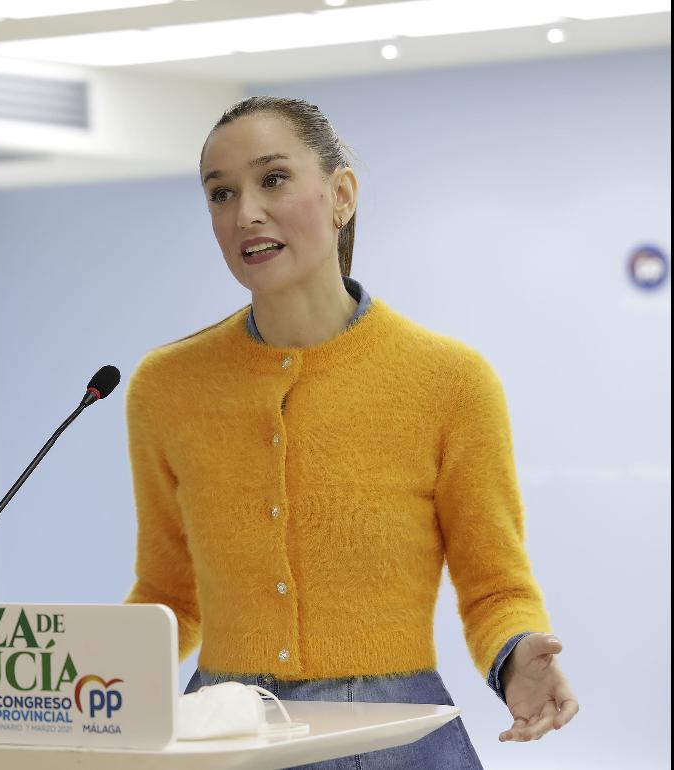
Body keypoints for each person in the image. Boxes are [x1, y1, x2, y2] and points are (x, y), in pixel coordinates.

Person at [123, 96, 579, 768]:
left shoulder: (449, 379)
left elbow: (495, 588)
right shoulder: (165, 386)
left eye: (272, 179)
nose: (244, 211)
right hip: (224, 736)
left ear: (341, 196)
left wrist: (517, 658)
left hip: (397, 738)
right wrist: (90, 679)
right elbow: (169, 595)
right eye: (220, 193)